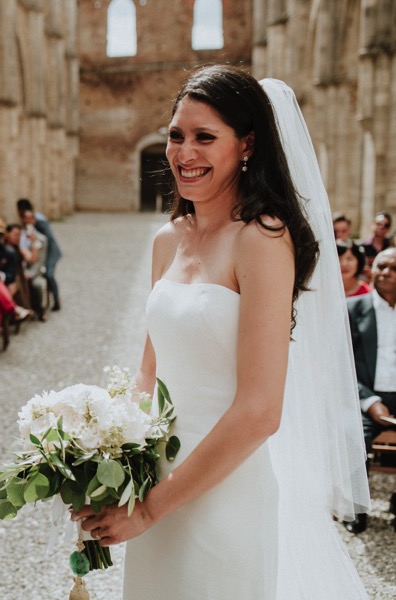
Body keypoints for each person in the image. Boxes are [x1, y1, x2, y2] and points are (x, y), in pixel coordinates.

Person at [73, 66, 369, 598]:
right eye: (176, 135)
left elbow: (260, 410)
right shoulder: (166, 240)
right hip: (154, 475)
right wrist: (107, 463)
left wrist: (150, 510)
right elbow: (149, 369)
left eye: (205, 137)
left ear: (247, 144)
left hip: (223, 489)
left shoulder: (262, 238)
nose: (185, 153)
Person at [344, 248, 396, 533]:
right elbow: (340, 364)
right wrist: (370, 401)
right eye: (381, 266)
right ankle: (356, 509)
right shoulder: (352, 309)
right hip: (362, 396)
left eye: (393, 268)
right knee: (354, 436)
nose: (386, 272)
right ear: (371, 270)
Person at [16, 198, 62, 310]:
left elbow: (48, 240)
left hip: (49, 251)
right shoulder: (27, 225)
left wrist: (43, 258)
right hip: (38, 250)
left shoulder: (39, 221)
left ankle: (56, 300)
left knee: (49, 274)